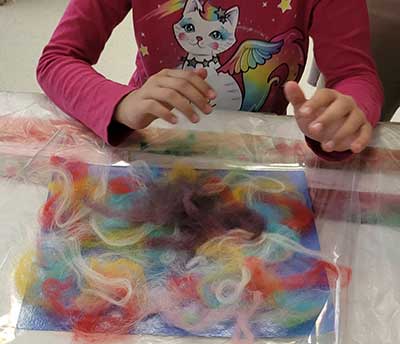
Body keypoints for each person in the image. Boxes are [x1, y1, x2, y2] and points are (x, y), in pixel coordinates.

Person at [37, 0, 383, 159]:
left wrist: (342, 119)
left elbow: (354, 75)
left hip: (257, 152)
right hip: (150, 140)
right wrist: (121, 103)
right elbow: (57, 60)